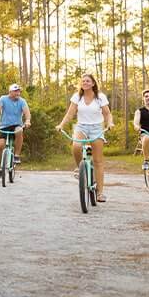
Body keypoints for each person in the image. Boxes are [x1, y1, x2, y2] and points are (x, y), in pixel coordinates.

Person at [55, 73, 114, 202]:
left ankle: (100, 193)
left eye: (88, 81)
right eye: (83, 81)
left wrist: (109, 123)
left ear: (93, 83)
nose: (85, 83)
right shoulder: (77, 97)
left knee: (98, 160)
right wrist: (61, 124)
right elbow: (70, 114)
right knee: (76, 146)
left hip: (96, 128)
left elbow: (107, 114)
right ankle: (80, 168)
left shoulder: (100, 97)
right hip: (81, 127)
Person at [0, 83, 31, 179]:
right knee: (0, 145)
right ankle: (0, 167)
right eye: (15, 91)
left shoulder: (22, 101)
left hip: (16, 125)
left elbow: (27, 112)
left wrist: (27, 121)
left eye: (18, 91)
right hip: (4, 126)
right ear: (10, 92)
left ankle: (16, 155)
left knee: (19, 130)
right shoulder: (3, 99)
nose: (18, 93)